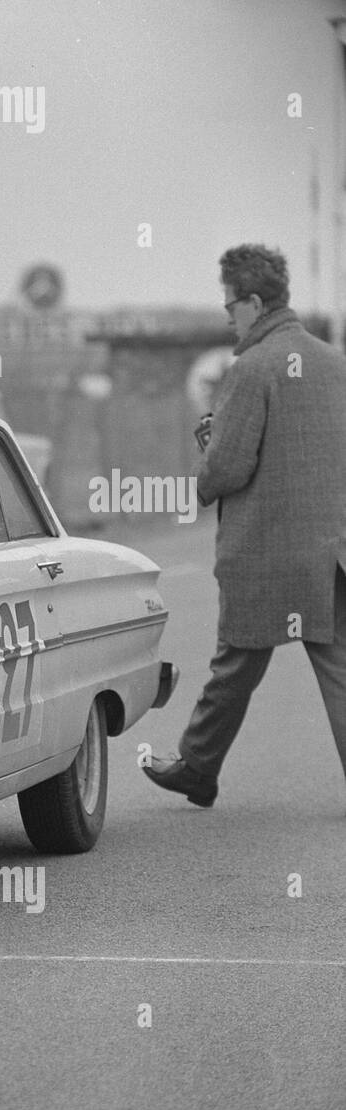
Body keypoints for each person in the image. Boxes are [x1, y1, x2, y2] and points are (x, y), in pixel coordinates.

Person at [143, 244, 346, 807]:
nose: (227, 317)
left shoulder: (251, 368)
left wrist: (206, 461)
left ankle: (197, 768)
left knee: (233, 665)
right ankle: (198, 767)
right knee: (339, 669)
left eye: (229, 305)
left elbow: (228, 469)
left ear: (254, 302)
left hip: (266, 556)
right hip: (332, 552)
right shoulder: (334, 363)